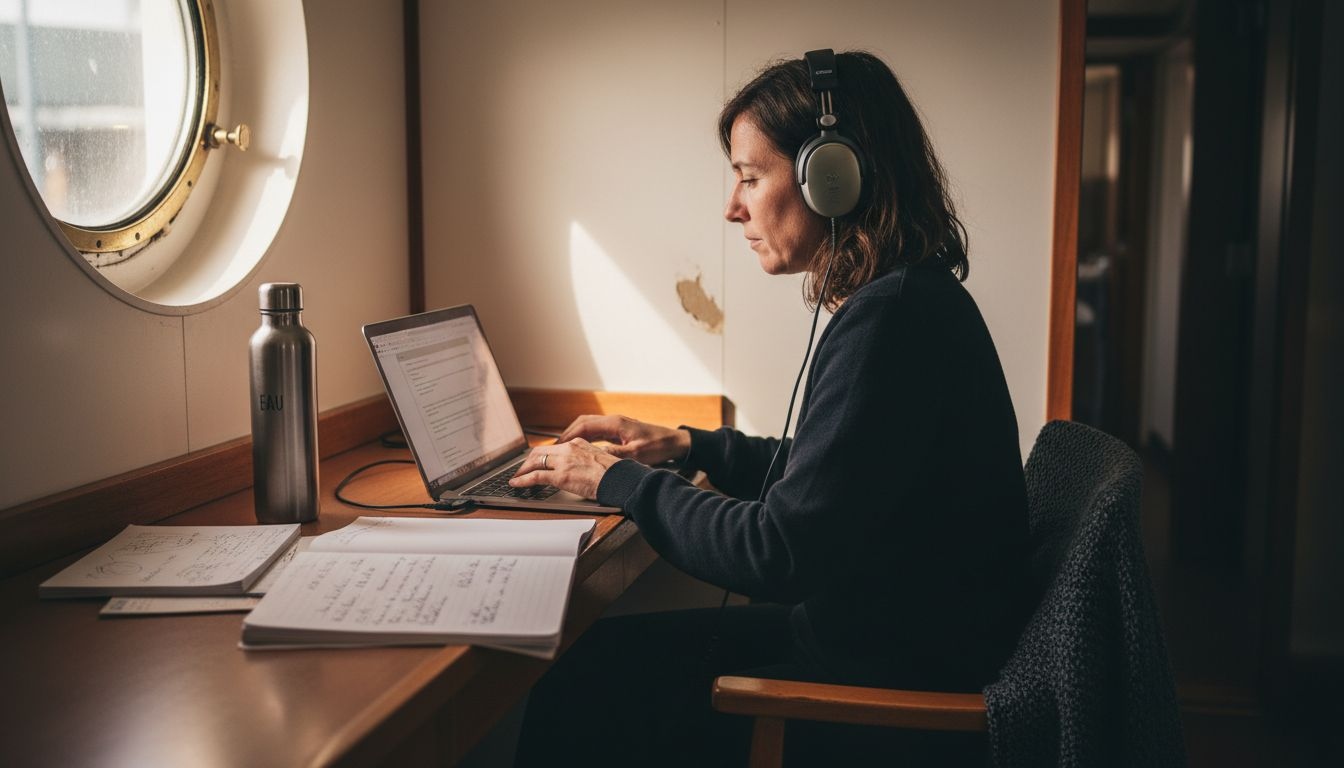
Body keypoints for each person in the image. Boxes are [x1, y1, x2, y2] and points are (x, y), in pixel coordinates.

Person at [510, 50, 1031, 766]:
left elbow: (778, 551)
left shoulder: (892, 324)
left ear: (834, 178)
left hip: (882, 701)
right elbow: (838, 480)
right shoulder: (911, 301)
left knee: (578, 684)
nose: (733, 207)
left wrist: (614, 481)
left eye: (751, 177)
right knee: (597, 664)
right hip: (886, 652)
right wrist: (691, 447)